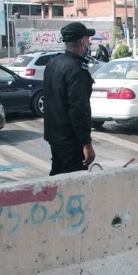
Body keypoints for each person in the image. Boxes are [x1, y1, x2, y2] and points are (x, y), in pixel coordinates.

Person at [43, 22, 96, 175]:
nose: (89, 43)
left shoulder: (53, 63)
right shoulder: (77, 70)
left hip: (54, 136)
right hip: (71, 140)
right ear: (82, 42)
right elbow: (79, 110)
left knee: (58, 180)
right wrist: (87, 143)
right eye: (88, 39)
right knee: (73, 187)